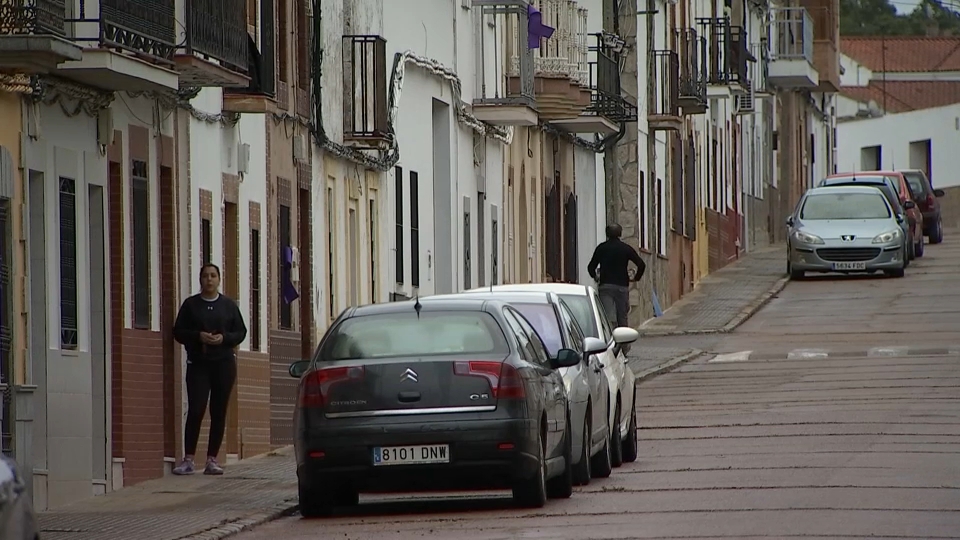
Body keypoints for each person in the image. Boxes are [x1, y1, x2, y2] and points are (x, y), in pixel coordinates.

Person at [171, 263, 247, 475]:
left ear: (219, 279)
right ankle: (188, 459)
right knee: (196, 409)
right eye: (205, 276)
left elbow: (241, 331)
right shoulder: (191, 305)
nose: (209, 279)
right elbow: (178, 331)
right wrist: (198, 336)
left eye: (213, 276)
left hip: (223, 363)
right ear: (200, 280)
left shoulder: (228, 306)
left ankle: (212, 459)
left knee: (218, 411)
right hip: (198, 363)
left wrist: (224, 338)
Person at [587, 223, 646, 329]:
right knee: (622, 317)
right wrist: (636, 278)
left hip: (605, 286)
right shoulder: (626, 248)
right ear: (620, 233)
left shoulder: (601, 248)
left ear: (607, 233)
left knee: (607, 318)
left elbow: (591, 267)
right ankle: (624, 343)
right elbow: (641, 264)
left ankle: (610, 342)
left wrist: (596, 277)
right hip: (622, 287)